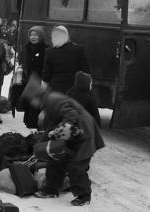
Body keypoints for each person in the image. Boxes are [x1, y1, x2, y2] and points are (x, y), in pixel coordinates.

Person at [21, 73, 104, 207]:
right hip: (74, 133)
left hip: (84, 133)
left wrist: (62, 129)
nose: (32, 103)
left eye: (31, 99)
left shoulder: (52, 100)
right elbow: (53, 125)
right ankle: (51, 189)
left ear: (37, 96)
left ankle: (84, 196)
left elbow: (71, 116)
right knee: (56, 160)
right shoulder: (49, 101)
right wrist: (41, 142)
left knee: (76, 165)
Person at [42, 25, 90, 94]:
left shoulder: (50, 52)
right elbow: (86, 70)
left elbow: (46, 74)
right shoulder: (78, 49)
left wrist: (43, 88)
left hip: (55, 90)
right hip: (74, 90)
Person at [21, 26, 49, 128]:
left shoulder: (45, 49)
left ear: (41, 36)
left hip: (39, 80)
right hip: (28, 79)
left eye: (36, 35)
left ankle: (36, 125)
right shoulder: (27, 47)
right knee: (29, 102)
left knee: (36, 104)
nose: (33, 37)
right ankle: (30, 123)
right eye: (31, 35)